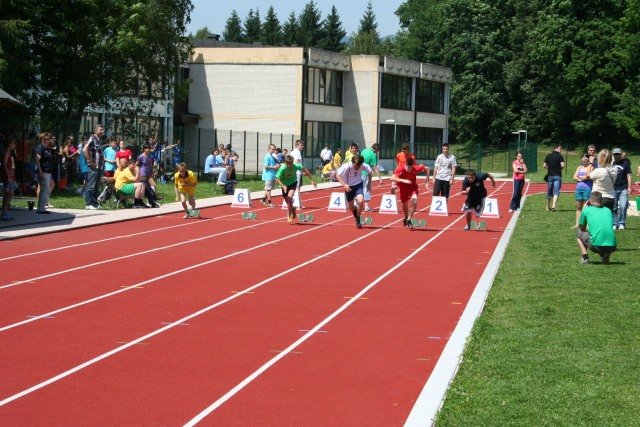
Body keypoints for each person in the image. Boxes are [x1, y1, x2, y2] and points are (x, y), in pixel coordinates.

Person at [577, 191, 617, 264]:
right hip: (612, 246)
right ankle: (605, 255)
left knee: (579, 232)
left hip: (596, 246)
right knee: (601, 235)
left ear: (589, 200)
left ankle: (585, 258)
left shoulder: (587, 210)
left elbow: (582, 227)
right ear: (601, 200)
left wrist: (584, 209)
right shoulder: (608, 210)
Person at [390, 157, 430, 229]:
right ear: (405, 165)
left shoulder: (415, 168)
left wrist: (427, 181)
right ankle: (406, 218)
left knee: (414, 201)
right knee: (404, 205)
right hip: (403, 189)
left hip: (412, 188)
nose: (410, 169)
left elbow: (428, 169)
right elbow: (392, 178)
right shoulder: (401, 169)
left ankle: (409, 219)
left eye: (411, 168)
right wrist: (403, 180)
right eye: (408, 168)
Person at [335, 154, 373, 229]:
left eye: (359, 166)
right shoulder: (346, 166)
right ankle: (356, 216)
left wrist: (369, 184)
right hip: (348, 187)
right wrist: (344, 185)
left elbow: (370, 172)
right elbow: (337, 175)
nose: (357, 167)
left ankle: (358, 219)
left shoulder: (363, 165)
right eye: (356, 165)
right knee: (351, 207)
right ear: (352, 163)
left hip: (358, 185)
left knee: (360, 201)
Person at [275, 154, 316, 223]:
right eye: (288, 164)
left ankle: (289, 215)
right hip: (284, 185)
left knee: (289, 198)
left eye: (291, 164)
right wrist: (283, 185)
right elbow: (276, 178)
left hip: (293, 183)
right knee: (288, 201)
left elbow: (306, 170)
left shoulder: (296, 166)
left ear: (293, 162)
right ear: (285, 163)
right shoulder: (282, 168)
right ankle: (293, 208)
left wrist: (312, 180)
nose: (290, 166)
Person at [83, 124, 105, 210]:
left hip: (99, 166)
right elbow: (85, 149)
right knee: (91, 185)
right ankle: (88, 203)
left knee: (96, 186)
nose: (102, 131)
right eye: (100, 130)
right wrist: (90, 161)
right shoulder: (92, 139)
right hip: (93, 167)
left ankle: (94, 203)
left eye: (103, 130)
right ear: (95, 131)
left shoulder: (99, 140)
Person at [34, 132, 55, 214]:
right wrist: (40, 172)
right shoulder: (40, 147)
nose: (46, 141)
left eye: (48, 139)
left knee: (45, 190)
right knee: (44, 190)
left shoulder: (47, 148)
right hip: (43, 172)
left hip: (48, 172)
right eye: (45, 139)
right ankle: (41, 209)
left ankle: (42, 208)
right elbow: (37, 160)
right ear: (41, 139)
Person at [611, 147, 631, 230]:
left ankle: (622, 222)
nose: (616, 156)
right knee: (614, 207)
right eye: (615, 154)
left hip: (623, 188)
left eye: (618, 154)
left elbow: (629, 175)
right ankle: (615, 223)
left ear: (621, 154)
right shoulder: (611, 163)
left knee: (623, 206)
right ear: (613, 155)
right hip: (613, 188)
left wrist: (629, 187)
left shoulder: (625, 163)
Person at [572, 154, 593, 228]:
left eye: (586, 159)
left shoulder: (591, 167)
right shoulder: (579, 167)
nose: (584, 160)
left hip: (587, 188)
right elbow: (574, 177)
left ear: (588, 160)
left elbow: (588, 176)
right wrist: (581, 178)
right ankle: (577, 224)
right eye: (583, 159)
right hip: (579, 188)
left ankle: (585, 224)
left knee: (585, 207)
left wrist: (581, 178)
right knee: (578, 207)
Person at [360, 143, 382, 212]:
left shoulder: (364, 150)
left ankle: (356, 203)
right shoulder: (373, 155)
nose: (377, 153)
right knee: (367, 189)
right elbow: (374, 167)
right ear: (376, 149)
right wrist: (380, 178)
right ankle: (366, 206)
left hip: (359, 172)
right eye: (377, 151)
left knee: (358, 188)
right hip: (366, 173)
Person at [543, 143, 565, 211]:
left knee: (549, 190)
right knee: (556, 190)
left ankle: (547, 206)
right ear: (556, 148)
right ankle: (553, 205)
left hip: (550, 175)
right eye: (560, 149)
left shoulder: (548, 155)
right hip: (557, 175)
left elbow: (544, 165)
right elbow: (563, 165)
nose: (561, 150)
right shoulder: (560, 156)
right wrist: (558, 168)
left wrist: (550, 168)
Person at [1, 136, 17, 221]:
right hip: (8, 176)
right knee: (9, 194)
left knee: (8, 194)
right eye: (14, 143)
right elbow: (4, 165)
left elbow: (12, 165)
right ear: (10, 143)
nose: (15, 145)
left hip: (11, 176)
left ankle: (5, 213)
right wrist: (8, 176)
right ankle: (4, 213)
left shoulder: (10, 152)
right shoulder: (7, 152)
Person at [289, 139, 306, 208]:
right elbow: (297, 162)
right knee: (297, 188)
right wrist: (302, 170)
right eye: (301, 145)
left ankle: (294, 203)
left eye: (302, 145)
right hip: (297, 172)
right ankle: (298, 204)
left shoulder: (292, 152)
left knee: (293, 188)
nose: (302, 146)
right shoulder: (298, 152)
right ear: (296, 145)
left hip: (292, 172)